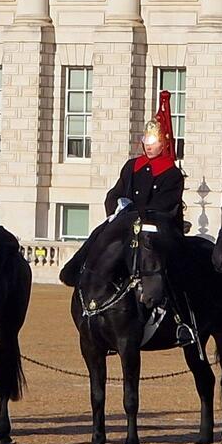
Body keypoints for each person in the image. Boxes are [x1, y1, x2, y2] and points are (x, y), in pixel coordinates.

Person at [61, 91, 197, 347]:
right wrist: (116, 206)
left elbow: (164, 207)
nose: (148, 144)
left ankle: (182, 320)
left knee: (171, 265)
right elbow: (115, 193)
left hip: (159, 229)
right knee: (101, 234)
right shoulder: (131, 166)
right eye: (146, 139)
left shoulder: (172, 175)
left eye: (154, 140)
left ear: (164, 142)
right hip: (128, 224)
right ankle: (78, 272)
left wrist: (134, 214)